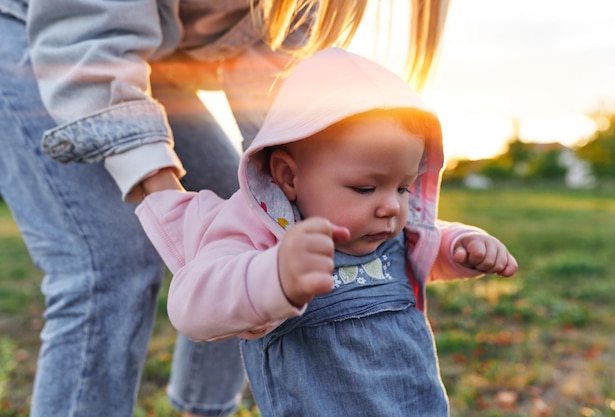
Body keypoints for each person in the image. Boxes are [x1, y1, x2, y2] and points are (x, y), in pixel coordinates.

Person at [0, 1, 454, 416]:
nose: (391, 206)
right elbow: (87, 34)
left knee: (243, 211)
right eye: (366, 188)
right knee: (109, 262)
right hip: (57, 42)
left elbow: (271, 76)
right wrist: (178, 214)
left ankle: (205, 409)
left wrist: (284, 182)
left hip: (155, 62)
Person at [136, 47, 519, 416]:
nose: (390, 206)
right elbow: (191, 305)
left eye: (403, 187)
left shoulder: (388, 233)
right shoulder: (261, 236)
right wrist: (274, 276)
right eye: (365, 188)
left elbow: (428, 238)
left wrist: (461, 246)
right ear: (289, 176)